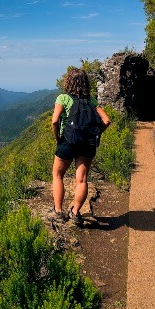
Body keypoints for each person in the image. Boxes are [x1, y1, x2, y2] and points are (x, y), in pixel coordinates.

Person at [50, 67, 110, 226]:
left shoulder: (63, 98)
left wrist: (58, 138)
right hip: (87, 143)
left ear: (68, 81)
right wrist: (96, 134)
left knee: (57, 175)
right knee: (82, 180)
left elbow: (55, 121)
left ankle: (58, 211)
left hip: (67, 141)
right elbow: (106, 120)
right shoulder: (92, 101)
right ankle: (76, 213)